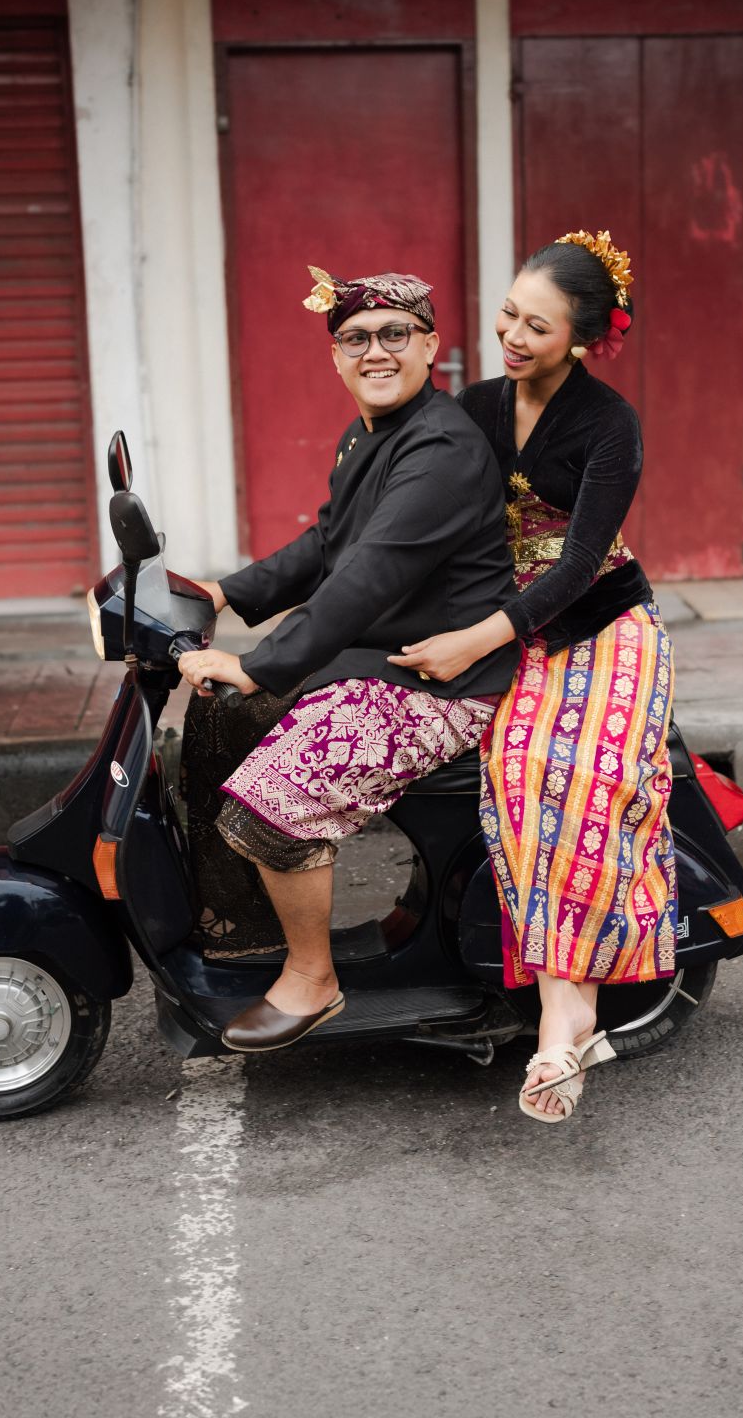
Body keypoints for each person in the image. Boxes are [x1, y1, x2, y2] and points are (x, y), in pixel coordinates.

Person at [177, 265, 520, 1053]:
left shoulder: (440, 448)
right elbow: (330, 543)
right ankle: (245, 935)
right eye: (356, 339)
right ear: (335, 357)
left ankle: (313, 979)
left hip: (442, 684)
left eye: (395, 333)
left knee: (274, 799)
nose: (375, 351)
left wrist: (256, 664)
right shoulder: (369, 434)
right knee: (219, 721)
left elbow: (368, 576)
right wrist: (221, 593)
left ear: (430, 345)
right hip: (382, 661)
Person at [387, 231, 677, 1124]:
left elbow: (581, 564)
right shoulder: (475, 405)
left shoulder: (610, 425)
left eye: (536, 328)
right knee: (515, 770)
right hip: (506, 626)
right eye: (509, 315)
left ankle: (562, 1019)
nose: (512, 336)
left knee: (573, 774)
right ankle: (568, 1015)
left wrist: (470, 641)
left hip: (602, 625)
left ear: (583, 339)